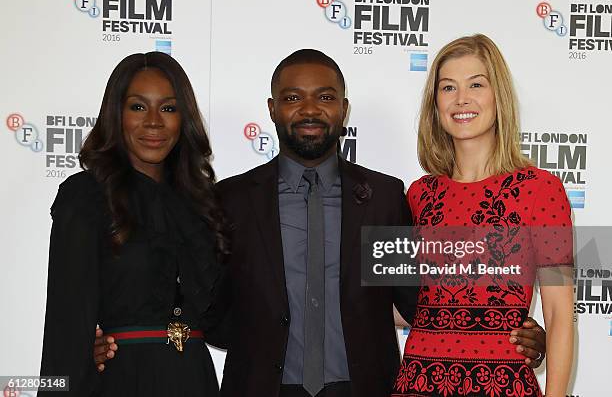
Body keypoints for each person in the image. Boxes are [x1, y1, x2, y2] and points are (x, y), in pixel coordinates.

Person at [93, 49, 549, 397]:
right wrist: (112, 336)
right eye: (293, 98)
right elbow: (194, 294)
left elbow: (419, 303)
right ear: (272, 108)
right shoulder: (229, 199)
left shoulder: (386, 197)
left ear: (344, 109)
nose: (309, 110)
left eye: (325, 97)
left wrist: (516, 331)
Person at [391, 34, 574, 397]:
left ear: (497, 97)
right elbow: (401, 306)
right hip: (418, 382)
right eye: (448, 88)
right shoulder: (417, 194)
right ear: (435, 103)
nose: (462, 99)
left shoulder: (541, 190)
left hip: (503, 385)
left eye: (476, 84)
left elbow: (559, 316)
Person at [39, 52, 228, 396]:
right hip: (121, 379)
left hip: (193, 380)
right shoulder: (86, 196)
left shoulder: (203, 203)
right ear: (116, 114)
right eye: (138, 107)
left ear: (183, 119)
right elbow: (66, 326)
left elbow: (225, 320)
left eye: (169, 108)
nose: (154, 122)